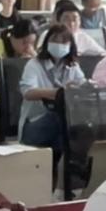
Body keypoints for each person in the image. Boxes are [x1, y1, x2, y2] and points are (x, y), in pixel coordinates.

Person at [20, 24, 84, 158]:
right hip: (35, 124)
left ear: (70, 45)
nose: (59, 45)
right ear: (47, 42)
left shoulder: (72, 65)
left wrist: (81, 88)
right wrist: (59, 92)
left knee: (78, 124)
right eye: (55, 40)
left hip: (61, 125)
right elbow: (28, 92)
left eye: (64, 42)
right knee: (59, 118)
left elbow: (82, 84)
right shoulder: (34, 64)